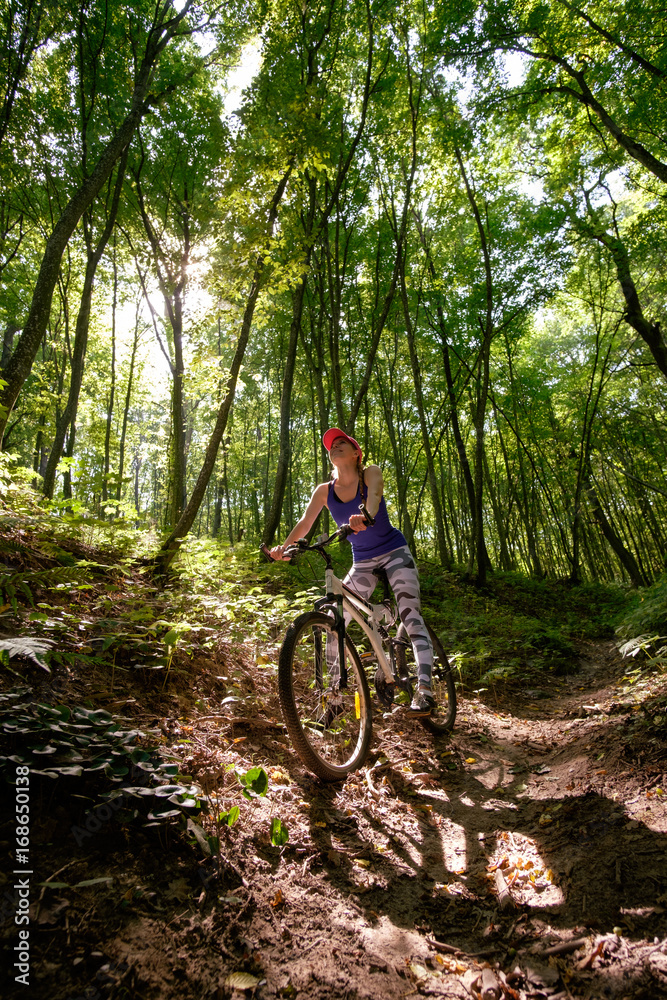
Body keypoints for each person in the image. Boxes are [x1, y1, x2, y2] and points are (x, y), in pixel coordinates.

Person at [270, 428, 436, 715]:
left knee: (411, 615)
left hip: (394, 552)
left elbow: (375, 494)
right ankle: (334, 700)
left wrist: (367, 515)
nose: (334, 447)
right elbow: (305, 523)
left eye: (341, 443)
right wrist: (283, 548)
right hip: (363, 562)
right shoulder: (324, 491)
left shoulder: (369, 472)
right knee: (334, 621)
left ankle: (425, 691)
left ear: (356, 452)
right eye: (331, 446)